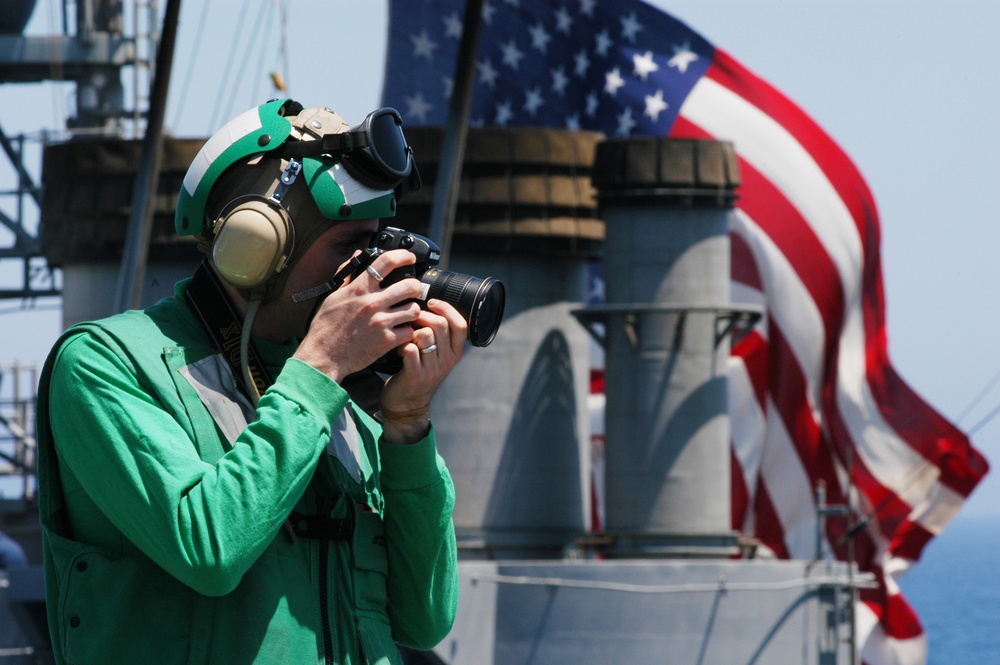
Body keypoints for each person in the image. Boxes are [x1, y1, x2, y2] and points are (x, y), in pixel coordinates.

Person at [35, 99, 463, 664]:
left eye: (374, 244)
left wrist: (407, 428)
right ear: (256, 251)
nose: (368, 275)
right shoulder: (107, 365)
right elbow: (208, 550)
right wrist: (320, 370)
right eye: (344, 248)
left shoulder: (343, 398)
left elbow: (424, 618)